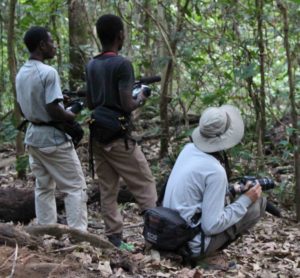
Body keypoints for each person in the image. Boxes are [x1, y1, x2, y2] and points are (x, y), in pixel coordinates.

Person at [85, 14, 157, 250]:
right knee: (145, 183)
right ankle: (155, 234)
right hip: (118, 138)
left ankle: (114, 237)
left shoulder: (91, 64)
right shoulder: (122, 64)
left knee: (108, 188)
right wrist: (141, 98)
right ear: (120, 35)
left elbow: (90, 102)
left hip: (97, 135)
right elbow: (127, 104)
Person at [163, 104, 266, 263]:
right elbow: (211, 226)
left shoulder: (188, 149)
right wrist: (246, 200)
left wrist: (233, 190)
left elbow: (196, 195)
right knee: (258, 203)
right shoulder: (215, 170)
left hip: (169, 233)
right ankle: (206, 255)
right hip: (190, 245)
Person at [16, 26, 88, 231]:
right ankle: (79, 237)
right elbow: (53, 110)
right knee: (75, 187)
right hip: (53, 139)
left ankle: (45, 232)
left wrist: (59, 102)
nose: (54, 46)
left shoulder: (22, 72)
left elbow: (23, 108)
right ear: (41, 45)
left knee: (43, 187)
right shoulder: (48, 72)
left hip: (33, 137)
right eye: (51, 41)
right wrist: (73, 111)